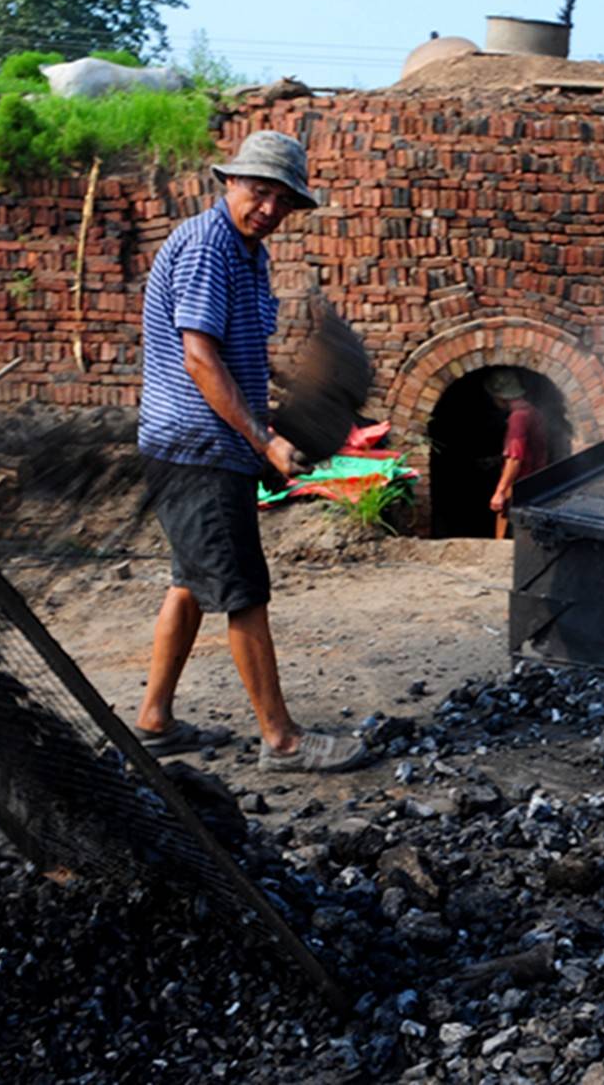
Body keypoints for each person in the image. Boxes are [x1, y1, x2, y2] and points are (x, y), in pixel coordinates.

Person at [135, 130, 368, 773]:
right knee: (243, 590)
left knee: (189, 583)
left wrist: (288, 397)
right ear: (229, 183)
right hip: (198, 447)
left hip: (202, 444)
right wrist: (265, 440)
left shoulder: (246, 253)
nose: (267, 208)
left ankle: (153, 721)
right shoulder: (211, 248)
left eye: (281, 200)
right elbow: (199, 357)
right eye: (258, 192)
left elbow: (232, 354)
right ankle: (283, 741)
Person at [485, 368, 550, 537]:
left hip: (519, 488)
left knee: (508, 542)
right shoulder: (533, 412)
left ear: (500, 397)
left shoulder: (518, 418)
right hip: (535, 484)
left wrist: (499, 492)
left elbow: (515, 458)